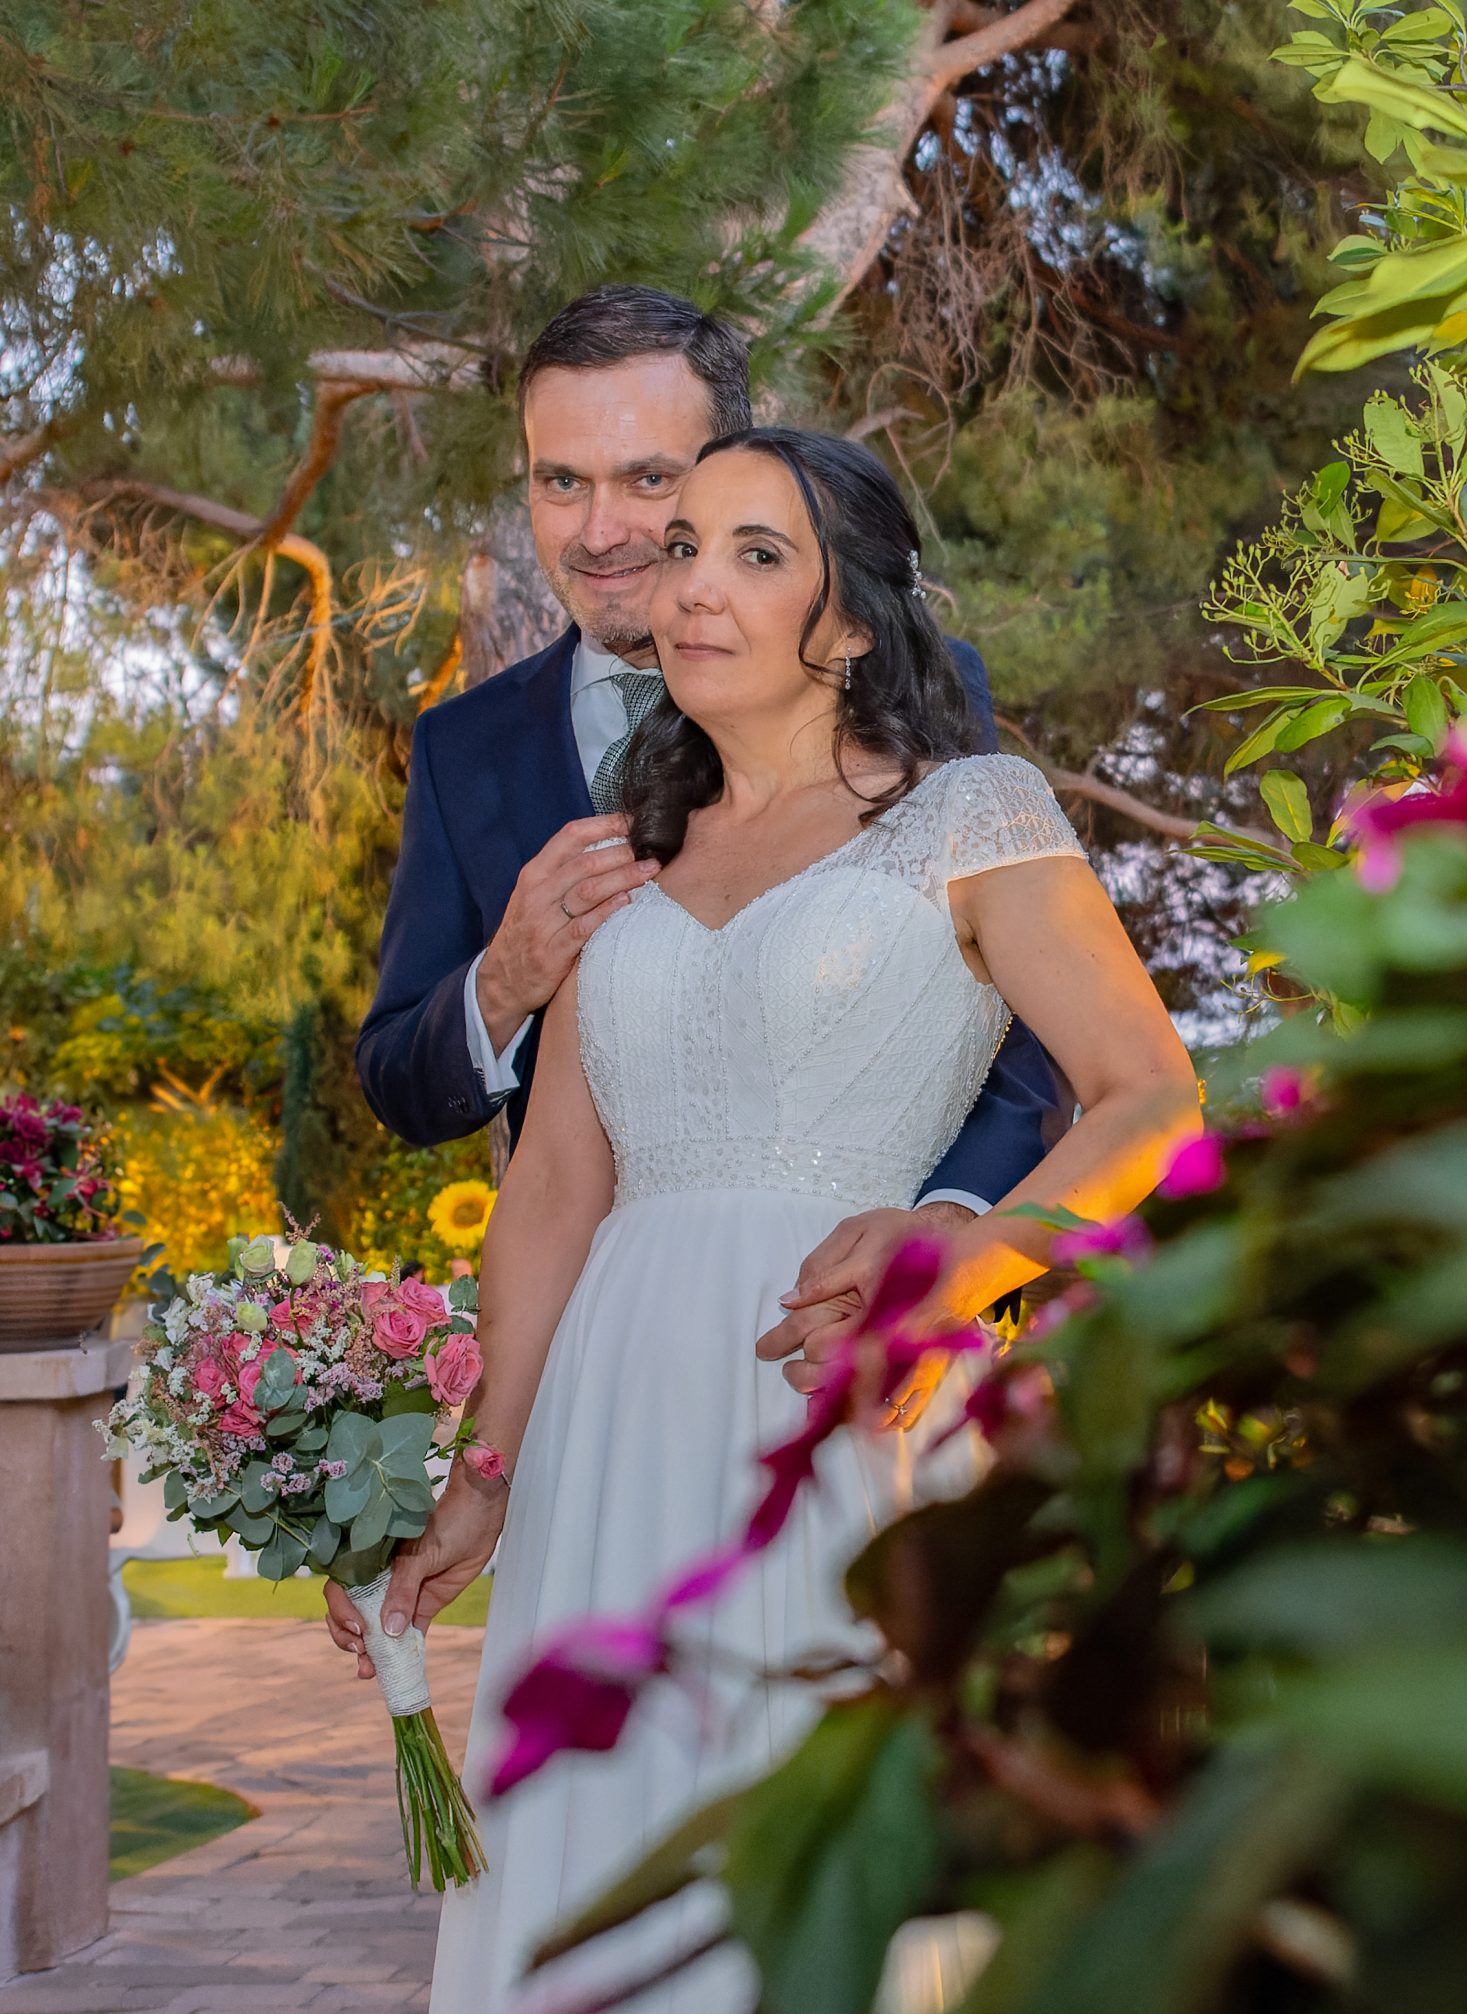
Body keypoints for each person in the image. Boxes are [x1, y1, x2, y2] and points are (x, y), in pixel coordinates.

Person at [352, 426, 1199, 2011]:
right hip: (612, 1412)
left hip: (843, 1400)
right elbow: (550, 1195)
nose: (694, 589)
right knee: (604, 1863)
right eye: (683, 551)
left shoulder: (970, 813)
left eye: (757, 553)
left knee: (825, 1860)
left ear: (855, 616)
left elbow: (1149, 1092)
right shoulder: (622, 857)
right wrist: (486, 1470)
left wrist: (972, 1254)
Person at [349, 282, 1064, 1326]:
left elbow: (1027, 1020)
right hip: (585, 1337)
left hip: (857, 1335)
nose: (600, 530)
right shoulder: (466, 748)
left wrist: (951, 1226)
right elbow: (399, 1084)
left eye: (648, 478)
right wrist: (502, 981)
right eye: (560, 481)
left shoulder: (918, 678)